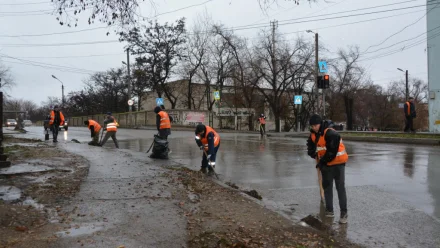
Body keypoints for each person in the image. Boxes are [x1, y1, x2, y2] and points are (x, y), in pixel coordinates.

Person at [306, 114, 348, 224]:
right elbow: (310, 146)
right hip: (326, 164)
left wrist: (322, 162)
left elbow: (332, 151)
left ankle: (344, 213)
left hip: (338, 164)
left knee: (340, 188)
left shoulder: (330, 132)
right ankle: (329, 210)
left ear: (320, 124)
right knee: (327, 187)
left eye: (315, 125)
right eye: (312, 126)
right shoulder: (313, 135)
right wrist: (312, 153)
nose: (314, 127)